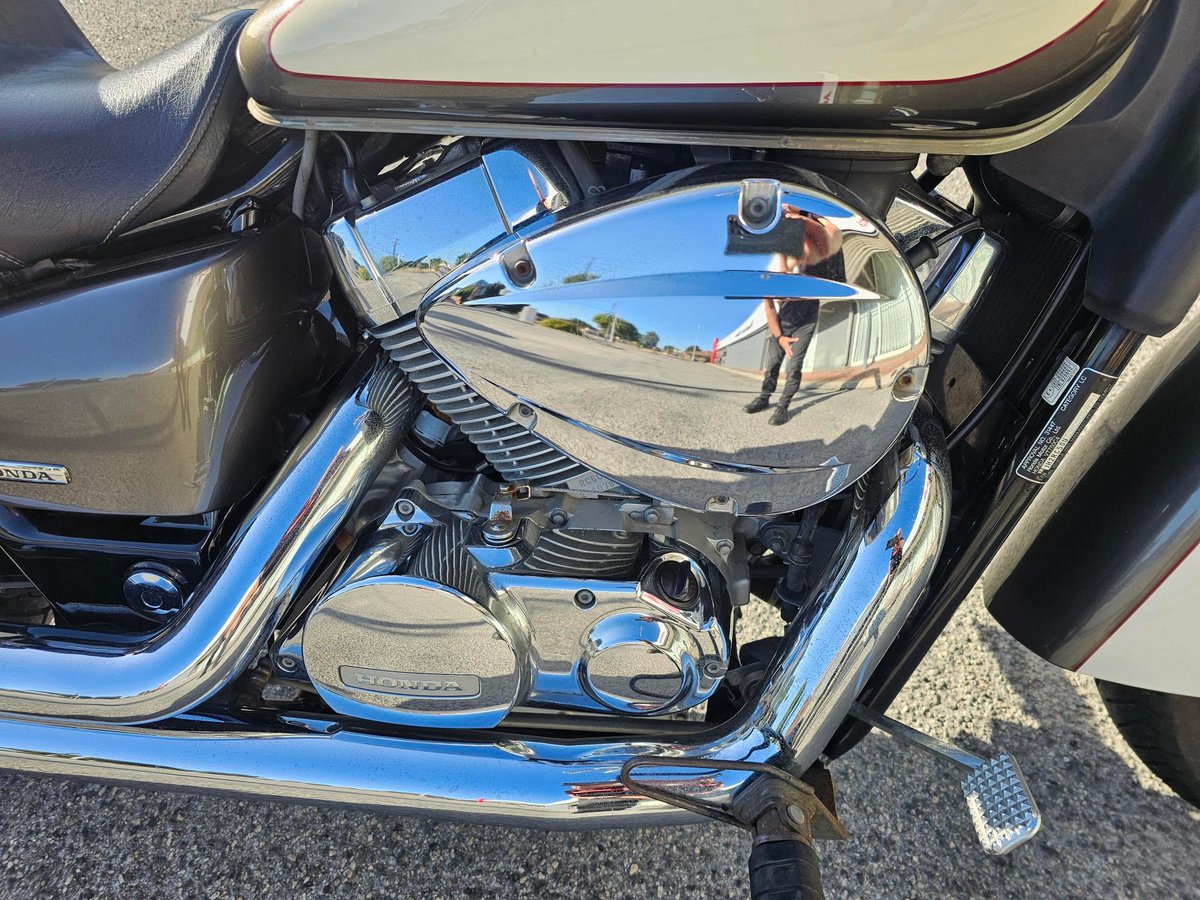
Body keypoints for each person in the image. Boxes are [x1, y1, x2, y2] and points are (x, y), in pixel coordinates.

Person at [743, 207, 845, 425]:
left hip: (805, 321)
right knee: (772, 364)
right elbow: (770, 309)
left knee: (794, 367)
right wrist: (780, 337)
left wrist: (810, 219)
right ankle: (764, 398)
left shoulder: (815, 258)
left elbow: (834, 235)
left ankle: (783, 406)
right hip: (782, 324)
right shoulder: (771, 277)